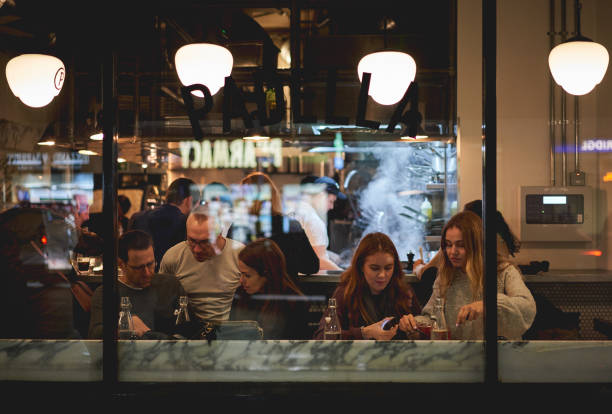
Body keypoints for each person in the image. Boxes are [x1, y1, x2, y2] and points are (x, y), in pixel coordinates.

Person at [410, 211, 536, 340]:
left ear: (477, 246)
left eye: (461, 245)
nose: (453, 252)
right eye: (448, 245)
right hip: (459, 356)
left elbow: (527, 308)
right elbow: (433, 318)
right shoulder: (446, 276)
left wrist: (488, 304)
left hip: (500, 356)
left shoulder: (504, 272)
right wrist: (414, 325)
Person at [313, 232, 421, 340]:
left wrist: (413, 332)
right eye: (375, 268)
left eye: (388, 268)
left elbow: (425, 334)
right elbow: (321, 337)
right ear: (361, 266)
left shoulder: (404, 292)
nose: (382, 275)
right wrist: (363, 333)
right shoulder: (345, 293)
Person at [412, 199, 521, 305]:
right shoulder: (500, 237)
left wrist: (417, 267)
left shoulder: (471, 241)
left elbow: (425, 272)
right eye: (449, 244)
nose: (453, 251)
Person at [88, 230, 187, 339]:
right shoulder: (107, 293)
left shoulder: (170, 285)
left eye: (150, 264)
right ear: (121, 264)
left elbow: (188, 329)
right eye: (138, 268)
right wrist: (121, 327)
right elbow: (95, 334)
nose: (147, 273)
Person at [159, 204, 244, 322]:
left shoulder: (240, 255)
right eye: (192, 241)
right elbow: (162, 303)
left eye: (205, 242)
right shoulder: (173, 257)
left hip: (229, 332)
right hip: (188, 332)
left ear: (220, 234)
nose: (197, 249)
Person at [227, 171, 319, 280]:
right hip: (284, 293)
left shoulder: (239, 227)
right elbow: (310, 266)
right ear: (273, 196)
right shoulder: (290, 225)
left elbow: (230, 267)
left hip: (250, 294)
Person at [230, 238, 310, 339]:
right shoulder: (241, 295)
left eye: (247, 275)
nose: (241, 280)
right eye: (240, 274)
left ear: (267, 274)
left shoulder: (294, 303)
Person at [129, 178, 200, 268]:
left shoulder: (137, 217)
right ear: (189, 201)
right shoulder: (186, 224)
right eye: (197, 202)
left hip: (139, 279)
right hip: (172, 279)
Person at [287, 175, 346, 271]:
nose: (332, 207)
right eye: (330, 201)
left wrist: (329, 255)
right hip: (307, 281)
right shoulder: (313, 219)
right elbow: (319, 260)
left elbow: (305, 250)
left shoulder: (296, 208)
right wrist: (344, 276)